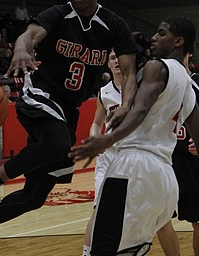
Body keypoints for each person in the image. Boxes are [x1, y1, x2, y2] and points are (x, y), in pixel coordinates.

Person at [0, 1, 138, 255]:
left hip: (69, 109)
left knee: (34, 197)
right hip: (42, 92)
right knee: (58, 144)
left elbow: (129, 71)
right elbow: (29, 36)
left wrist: (126, 105)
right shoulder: (59, 14)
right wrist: (21, 50)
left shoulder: (114, 24)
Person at [69, 16, 199, 256]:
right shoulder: (188, 88)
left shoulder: (156, 67)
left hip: (132, 167)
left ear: (178, 41)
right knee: (128, 249)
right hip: (164, 178)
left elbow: (140, 111)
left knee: (100, 250)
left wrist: (107, 139)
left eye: (161, 33)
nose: (153, 37)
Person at [157, 49, 199, 256]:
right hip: (163, 157)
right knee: (161, 220)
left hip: (190, 159)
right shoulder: (158, 80)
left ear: (188, 52)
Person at [83, 49, 122, 256]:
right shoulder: (104, 92)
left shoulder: (140, 87)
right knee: (99, 210)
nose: (116, 61)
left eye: (119, 57)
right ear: (108, 64)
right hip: (109, 157)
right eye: (113, 58)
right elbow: (96, 123)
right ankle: (87, 253)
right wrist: (95, 139)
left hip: (133, 157)